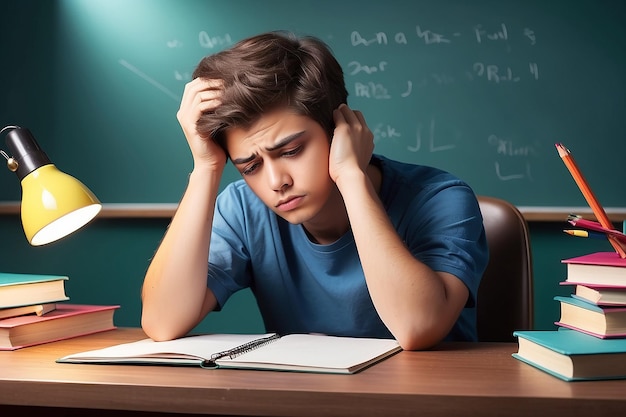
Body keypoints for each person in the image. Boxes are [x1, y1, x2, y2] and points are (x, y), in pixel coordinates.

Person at [141, 31, 488, 350]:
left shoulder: (441, 198)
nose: (277, 181)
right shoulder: (242, 210)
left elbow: (417, 327)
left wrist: (351, 176)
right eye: (250, 167)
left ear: (340, 129)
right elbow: (161, 321)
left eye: (291, 151)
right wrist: (206, 169)